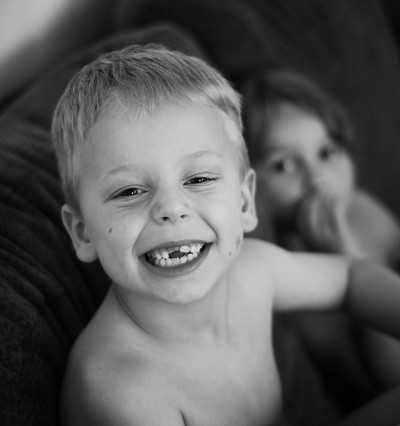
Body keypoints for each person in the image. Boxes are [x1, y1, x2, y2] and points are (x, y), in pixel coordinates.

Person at [52, 45, 400, 426]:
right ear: (82, 232)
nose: (171, 208)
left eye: (198, 179)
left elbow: (351, 278)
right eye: (130, 191)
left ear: (245, 202)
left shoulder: (253, 271)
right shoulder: (123, 390)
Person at [241, 69, 400, 400]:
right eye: (284, 165)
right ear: (248, 185)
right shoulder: (292, 285)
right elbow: (390, 376)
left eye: (327, 152)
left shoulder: (359, 205)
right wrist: (347, 254)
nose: (318, 178)